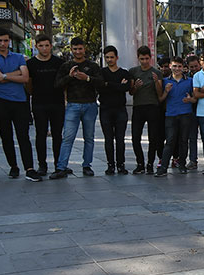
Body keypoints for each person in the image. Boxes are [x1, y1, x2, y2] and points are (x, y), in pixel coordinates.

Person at [0, 28, 36, 181]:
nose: (3, 43)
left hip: (20, 101)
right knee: (6, 135)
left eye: (5, 40)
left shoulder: (18, 57)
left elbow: (25, 77)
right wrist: (16, 74)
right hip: (1, 101)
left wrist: (6, 75)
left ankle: (29, 168)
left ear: (10, 41)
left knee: (23, 135)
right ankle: (13, 166)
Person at [49, 37, 103, 179]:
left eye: (80, 48)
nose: (78, 51)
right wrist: (70, 76)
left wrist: (87, 78)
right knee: (68, 137)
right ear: (71, 49)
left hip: (90, 105)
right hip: (73, 105)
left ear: (84, 49)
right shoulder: (66, 66)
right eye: (75, 49)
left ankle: (87, 166)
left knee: (89, 137)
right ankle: (61, 167)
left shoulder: (93, 66)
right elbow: (57, 85)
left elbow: (101, 83)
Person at [26, 34, 65, 176]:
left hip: (57, 103)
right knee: (40, 135)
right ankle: (42, 165)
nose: (44, 48)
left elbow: (64, 83)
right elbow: (28, 85)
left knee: (57, 135)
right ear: (36, 46)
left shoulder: (59, 62)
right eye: (41, 45)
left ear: (51, 46)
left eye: (47, 45)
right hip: (39, 104)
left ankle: (59, 165)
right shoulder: (30, 64)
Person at [155, 56, 196, 177]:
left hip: (185, 113)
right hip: (171, 114)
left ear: (183, 68)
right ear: (170, 67)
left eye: (179, 66)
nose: (177, 69)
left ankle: (182, 164)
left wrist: (190, 99)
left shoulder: (189, 81)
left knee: (184, 140)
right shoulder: (165, 81)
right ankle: (163, 167)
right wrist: (166, 91)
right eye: (174, 66)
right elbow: (161, 99)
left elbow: (195, 98)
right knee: (170, 140)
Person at [129, 46, 164, 174]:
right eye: (142, 59)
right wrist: (136, 87)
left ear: (150, 58)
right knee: (135, 137)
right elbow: (131, 92)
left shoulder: (156, 73)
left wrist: (156, 82)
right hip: (138, 107)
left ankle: (150, 163)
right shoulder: (133, 71)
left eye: (146, 59)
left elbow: (160, 94)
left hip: (153, 107)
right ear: (138, 58)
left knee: (153, 138)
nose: (144, 61)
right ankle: (140, 163)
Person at [98, 45, 131, 175]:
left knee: (120, 138)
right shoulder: (101, 72)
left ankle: (121, 165)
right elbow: (100, 87)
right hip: (105, 109)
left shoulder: (124, 73)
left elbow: (126, 88)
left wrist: (109, 84)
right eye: (107, 57)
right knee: (108, 138)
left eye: (112, 57)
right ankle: (110, 165)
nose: (110, 59)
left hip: (120, 109)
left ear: (117, 57)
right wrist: (117, 85)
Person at [185, 55, 201, 170]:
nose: (194, 68)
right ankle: (192, 160)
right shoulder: (186, 79)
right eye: (192, 67)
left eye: (196, 66)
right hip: (192, 111)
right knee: (192, 137)